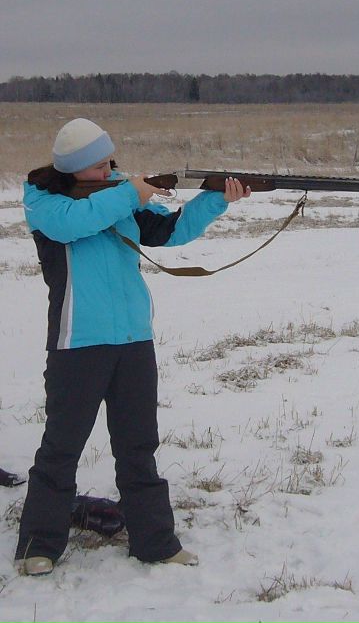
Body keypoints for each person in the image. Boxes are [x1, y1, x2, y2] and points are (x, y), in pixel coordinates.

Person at [15, 118, 250, 576]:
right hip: (77, 342)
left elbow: (169, 233)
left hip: (133, 341)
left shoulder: (119, 191)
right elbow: (74, 225)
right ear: (73, 170)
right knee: (61, 449)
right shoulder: (44, 202)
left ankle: (156, 542)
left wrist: (218, 197)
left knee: (139, 447)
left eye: (109, 161)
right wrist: (130, 192)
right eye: (99, 166)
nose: (110, 170)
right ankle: (37, 546)